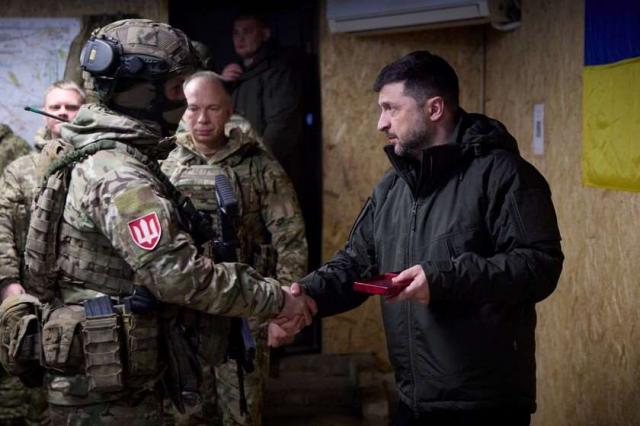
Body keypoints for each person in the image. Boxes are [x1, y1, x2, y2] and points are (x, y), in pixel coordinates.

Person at [0, 19, 313, 425]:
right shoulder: (118, 174)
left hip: (111, 381)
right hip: (109, 396)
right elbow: (178, 274)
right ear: (138, 94)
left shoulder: (98, 152)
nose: (185, 106)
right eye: (175, 89)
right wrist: (277, 300)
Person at [270, 51, 564, 426]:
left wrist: (441, 279)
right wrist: (306, 296)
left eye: (391, 109)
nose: (381, 123)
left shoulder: (504, 175)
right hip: (413, 399)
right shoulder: (392, 188)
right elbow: (356, 264)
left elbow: (539, 266)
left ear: (434, 108)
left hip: (484, 404)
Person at [162, 71, 307, 426]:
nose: (202, 119)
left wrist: (282, 310)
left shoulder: (258, 164)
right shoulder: (165, 162)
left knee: (241, 413)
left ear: (229, 111)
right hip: (182, 315)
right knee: (185, 415)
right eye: (193, 108)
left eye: (213, 109)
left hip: (246, 311)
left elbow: (290, 238)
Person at [0, 80, 85, 426]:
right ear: (45, 113)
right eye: (56, 107)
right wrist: (8, 283)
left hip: (84, 298)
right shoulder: (21, 169)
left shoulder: (99, 163)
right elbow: (2, 225)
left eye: (71, 107)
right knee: (31, 391)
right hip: (32, 296)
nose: (63, 113)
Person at [220, 13, 303, 189]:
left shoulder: (278, 71)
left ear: (265, 34)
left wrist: (257, 166)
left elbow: (281, 126)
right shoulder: (236, 73)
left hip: (268, 174)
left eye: (247, 31)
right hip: (240, 171)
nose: (240, 38)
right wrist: (221, 84)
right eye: (236, 33)